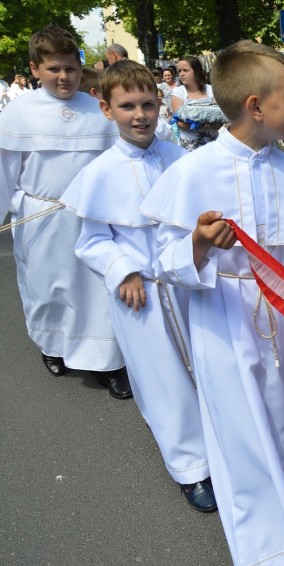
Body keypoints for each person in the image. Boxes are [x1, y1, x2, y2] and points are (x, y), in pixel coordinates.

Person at [140, 40, 284, 565]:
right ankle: (267, 546)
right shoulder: (191, 171)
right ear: (256, 106)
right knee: (241, 428)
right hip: (225, 316)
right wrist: (199, 246)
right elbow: (163, 261)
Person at [60, 60, 215, 512]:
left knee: (205, 368)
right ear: (107, 110)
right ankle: (190, 468)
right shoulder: (100, 172)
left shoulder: (179, 160)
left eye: (148, 103)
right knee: (162, 378)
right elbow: (92, 240)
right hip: (140, 291)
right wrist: (122, 270)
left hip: (188, 281)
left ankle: (222, 452)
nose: (140, 114)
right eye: (128, 106)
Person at [0, 26, 129, 398]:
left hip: (93, 216)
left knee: (100, 291)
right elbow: (5, 173)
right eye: (54, 69)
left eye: (70, 69)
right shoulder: (18, 113)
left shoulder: (99, 110)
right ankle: (53, 346)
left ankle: (110, 362)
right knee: (49, 289)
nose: (63, 77)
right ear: (35, 69)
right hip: (42, 217)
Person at [171, 56, 218, 151]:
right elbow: (179, 122)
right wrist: (200, 125)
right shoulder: (178, 92)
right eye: (179, 71)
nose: (181, 74)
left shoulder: (211, 90)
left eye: (185, 70)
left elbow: (218, 122)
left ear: (196, 71)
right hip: (190, 144)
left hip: (212, 142)